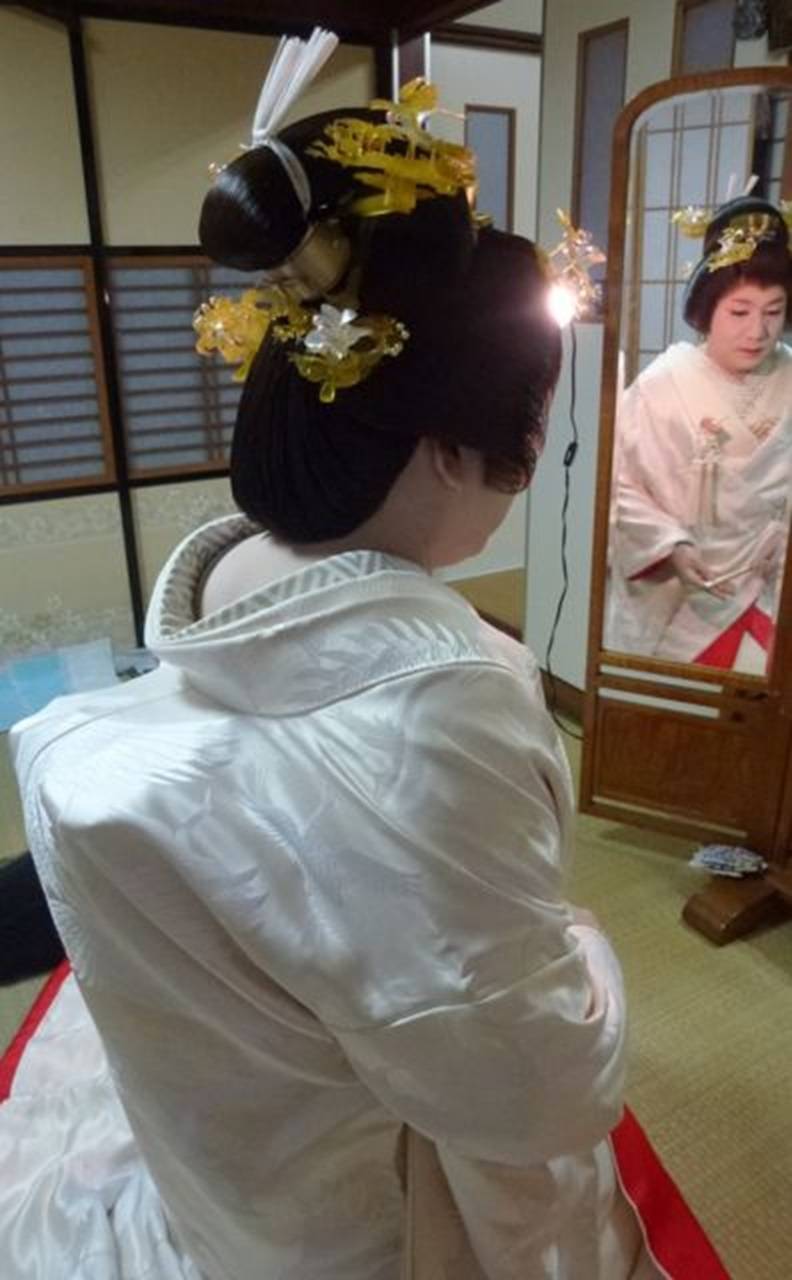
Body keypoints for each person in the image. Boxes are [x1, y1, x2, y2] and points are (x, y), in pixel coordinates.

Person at [4, 34, 658, 1280]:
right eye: (526, 437)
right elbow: (537, 1091)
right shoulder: (446, 703)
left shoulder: (208, 598)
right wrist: (585, 945)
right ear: (450, 451)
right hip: (358, 1219)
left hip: (225, 1172)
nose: (524, 473)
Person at [606, 195, 792, 671]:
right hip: (678, 593)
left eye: (773, 312)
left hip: (772, 591)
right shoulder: (662, 385)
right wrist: (669, 544)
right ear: (708, 309)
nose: (758, 331)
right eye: (740, 312)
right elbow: (617, 484)